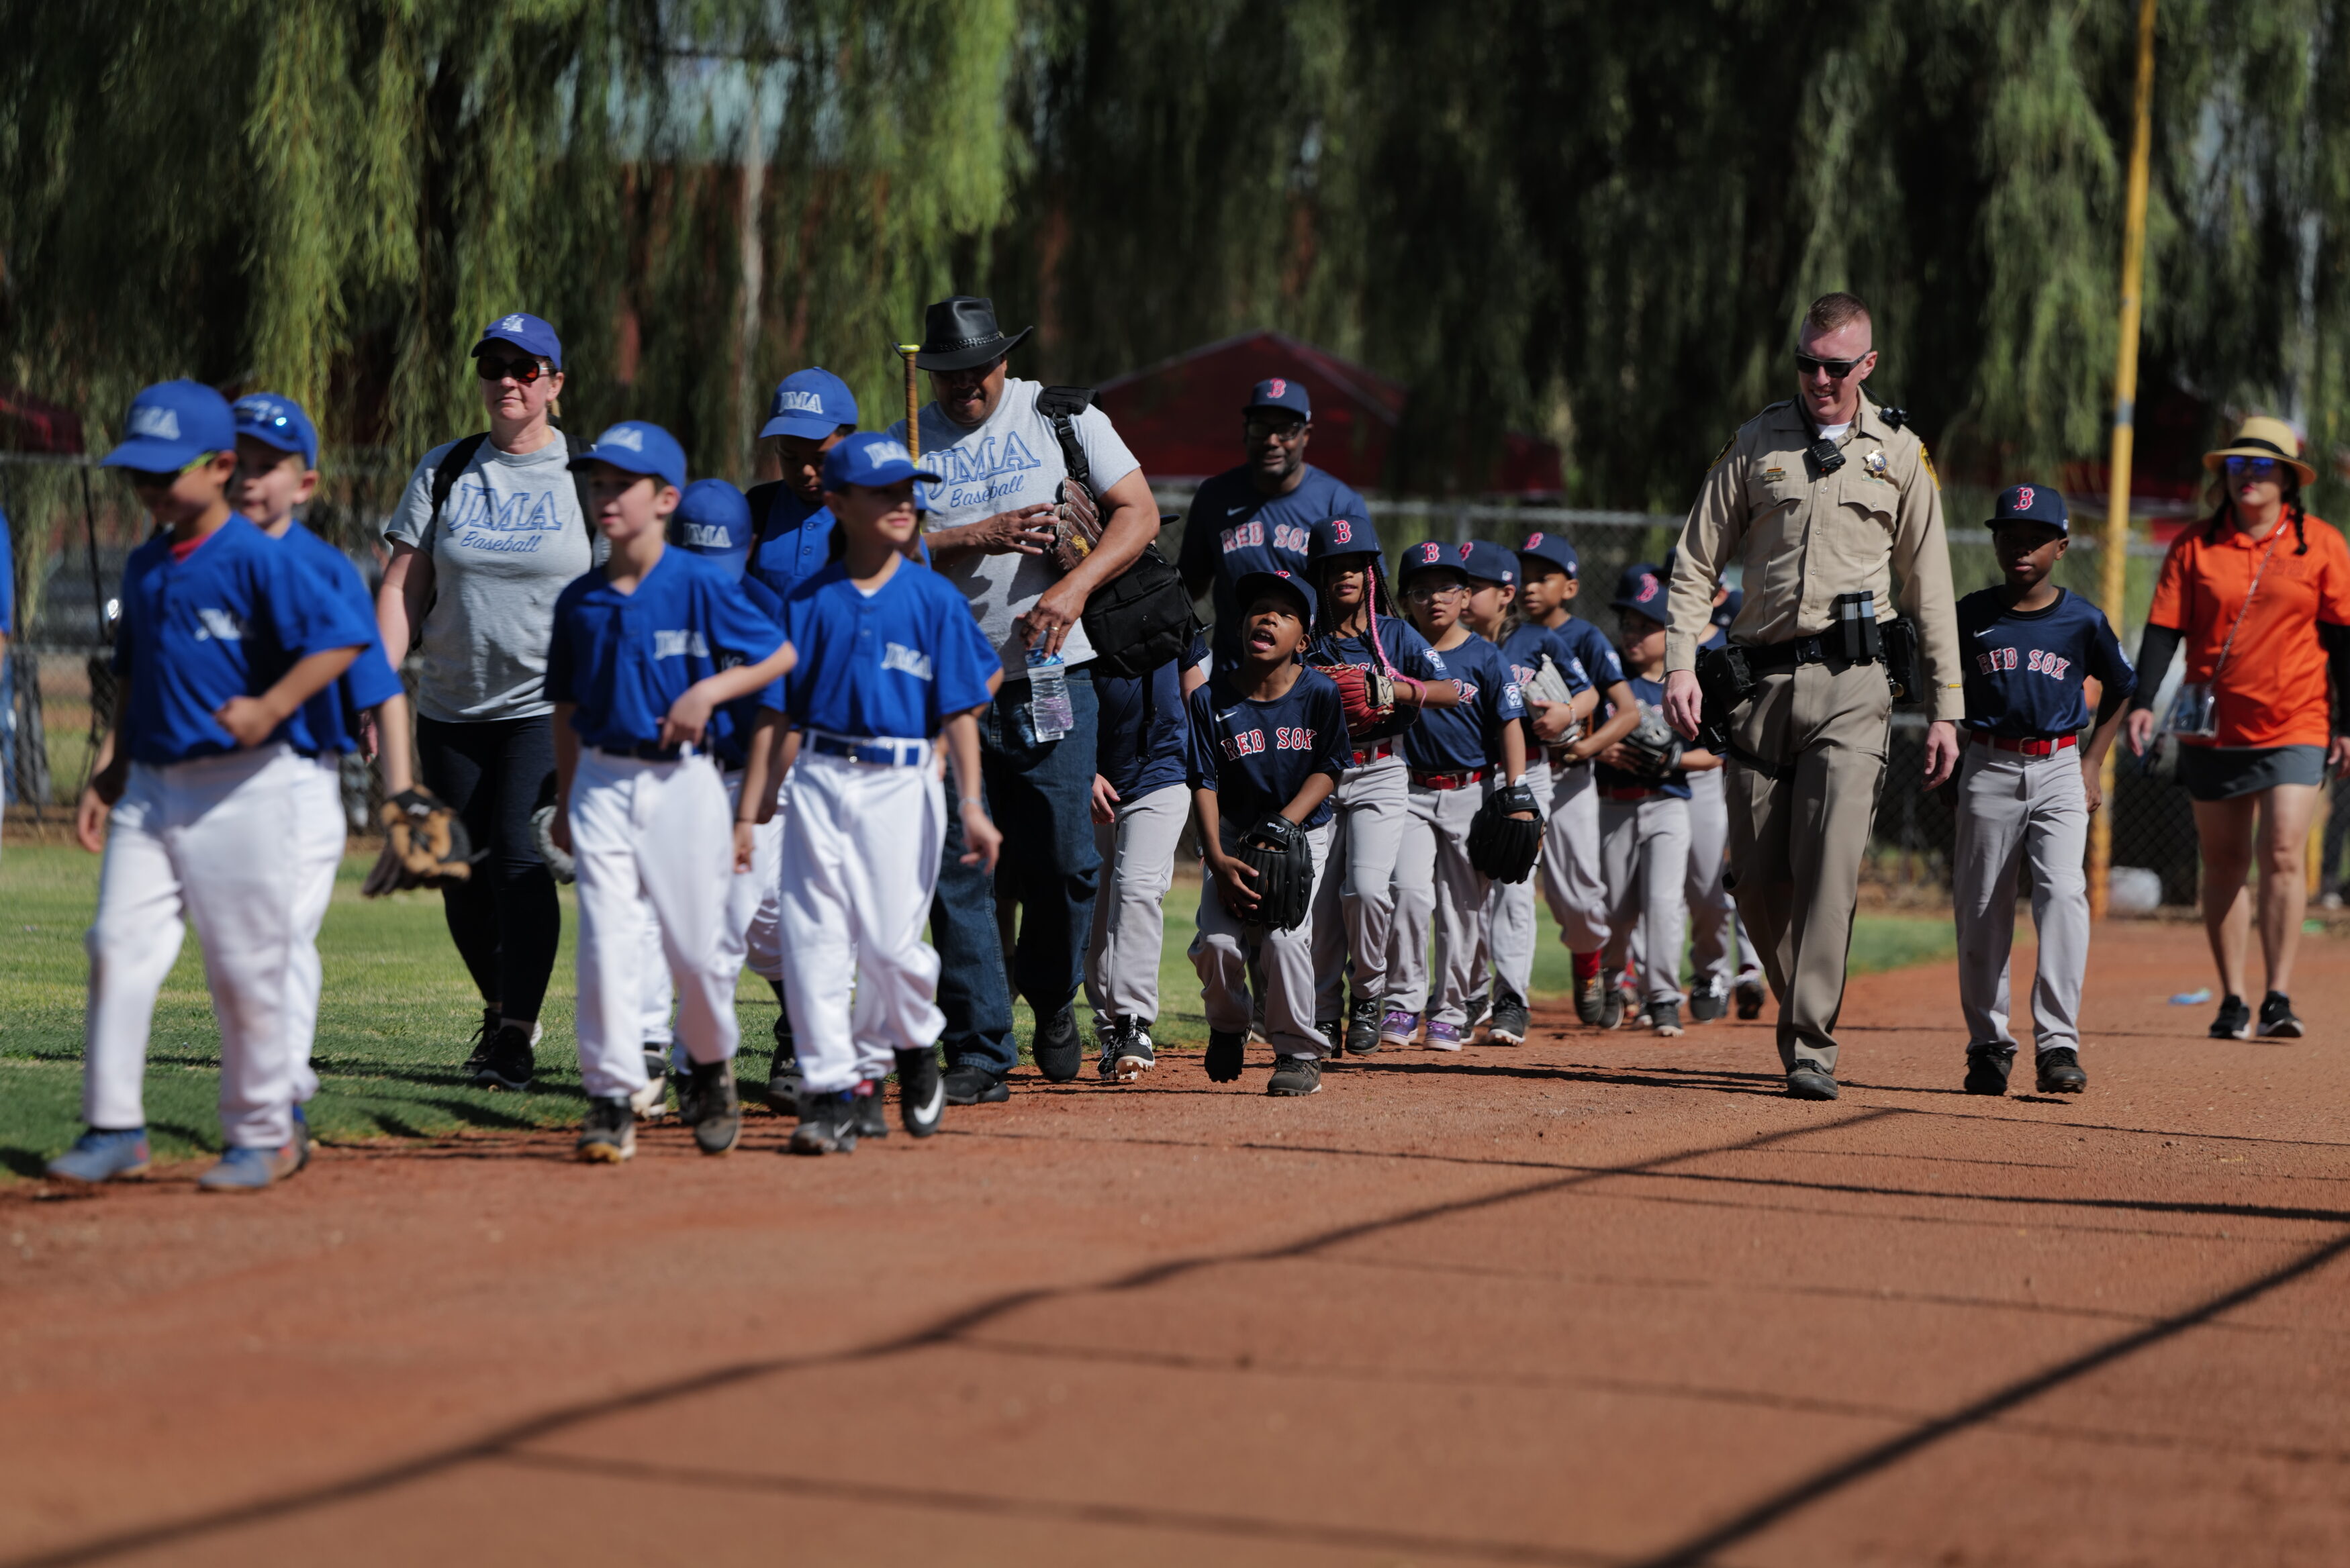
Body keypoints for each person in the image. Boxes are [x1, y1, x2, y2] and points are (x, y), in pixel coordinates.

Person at [49, 381, 373, 1191]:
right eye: (139, 474)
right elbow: (133, 677)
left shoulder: (258, 557)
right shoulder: (145, 564)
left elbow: (342, 639)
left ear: (220, 466)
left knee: (246, 965)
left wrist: (271, 705)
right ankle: (115, 1125)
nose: (151, 487)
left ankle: (264, 1132)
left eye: (168, 471)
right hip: (154, 788)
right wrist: (111, 771)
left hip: (244, 786)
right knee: (116, 943)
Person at [1663, 291, 1962, 1099]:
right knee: (1758, 881)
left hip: (1853, 686)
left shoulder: (1898, 452)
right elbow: (1694, 561)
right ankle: (1801, 1000)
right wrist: (1679, 664)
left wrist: (1946, 709)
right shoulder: (1754, 441)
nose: (1819, 380)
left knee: (1829, 864)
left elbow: (1929, 587)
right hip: (1755, 686)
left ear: (1867, 365)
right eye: (1806, 364)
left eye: (1835, 367)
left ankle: (1808, 1045)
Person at [890, 296, 1160, 1104]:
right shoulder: (906, 441)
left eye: (977, 367)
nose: (964, 383)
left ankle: (1049, 992)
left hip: (1053, 673)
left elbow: (1139, 513)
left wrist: (1073, 588)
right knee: (956, 866)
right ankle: (979, 1047)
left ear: (1003, 359)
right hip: (945, 688)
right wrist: (970, 536)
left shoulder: (1059, 417)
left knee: (1067, 860)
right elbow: (877, 545)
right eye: (948, 371)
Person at [545, 422, 795, 1164]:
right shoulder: (580, 598)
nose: (605, 497)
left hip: (684, 780)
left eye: (622, 484)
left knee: (698, 948)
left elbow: (778, 655)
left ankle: (710, 1064)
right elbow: (565, 707)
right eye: (598, 483)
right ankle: (609, 1095)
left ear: (664, 500)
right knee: (606, 942)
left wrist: (708, 692)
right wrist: (567, 799)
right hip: (602, 779)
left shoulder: (698, 584)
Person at [377, 312, 598, 1092]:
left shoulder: (585, 475)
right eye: (494, 366)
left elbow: (620, 591)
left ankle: (512, 1039)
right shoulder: (445, 469)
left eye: (525, 368)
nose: (508, 380)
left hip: (545, 705)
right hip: (450, 705)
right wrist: (375, 688)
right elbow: (403, 587)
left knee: (517, 857)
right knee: (457, 870)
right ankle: (503, 1008)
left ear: (554, 384)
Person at [774, 434, 1004, 1154]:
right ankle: (829, 1091)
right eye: (883, 492)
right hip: (819, 775)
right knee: (815, 939)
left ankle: (911, 1043)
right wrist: (756, 809)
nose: (903, 503)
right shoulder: (808, 599)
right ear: (839, 504)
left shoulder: (933, 597)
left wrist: (971, 803)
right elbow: (781, 715)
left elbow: (962, 706)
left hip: (904, 783)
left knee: (890, 944)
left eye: (908, 490)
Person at [2124, 416, 2350, 1040]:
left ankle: (2278, 996)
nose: (2248, 475)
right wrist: (2142, 702)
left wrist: (2347, 723)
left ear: (2288, 479)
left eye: (2262, 465)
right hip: (2212, 723)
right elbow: (2163, 629)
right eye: (2237, 464)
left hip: (2298, 719)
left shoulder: (2321, 544)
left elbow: (2343, 642)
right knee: (2224, 861)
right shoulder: (2195, 545)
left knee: (2281, 851)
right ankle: (2232, 998)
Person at [229, 392, 420, 1123]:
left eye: (268, 463)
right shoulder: (187, 556)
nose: (250, 476)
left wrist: (400, 800)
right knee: (234, 952)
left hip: (296, 779)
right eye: (239, 460)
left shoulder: (322, 570)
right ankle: (269, 1085)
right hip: (205, 785)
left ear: (304, 483)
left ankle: (280, 1097)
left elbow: (381, 691)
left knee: (279, 937)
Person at [1953, 485, 2133, 1095]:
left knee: (2062, 893)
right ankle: (1988, 1044)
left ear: (2062, 546)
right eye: (2010, 536)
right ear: (1995, 542)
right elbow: (1938, 680)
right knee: (1983, 905)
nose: (2021, 548)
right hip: (1987, 762)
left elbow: (2122, 684)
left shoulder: (2082, 619)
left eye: (2036, 538)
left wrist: (2093, 762)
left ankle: (2058, 1043)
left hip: (2059, 765)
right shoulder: (1971, 614)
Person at [631, 478, 790, 1118]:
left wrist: (761, 796)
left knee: (765, 927)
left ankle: (802, 1027)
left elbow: (781, 714)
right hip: (674, 778)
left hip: (750, 776)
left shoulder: (761, 605)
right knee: (666, 921)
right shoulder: (651, 599)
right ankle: (671, 1058)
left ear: (749, 548)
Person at [1187, 570, 1351, 1095]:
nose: (1268, 618)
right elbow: (1204, 780)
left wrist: (1284, 824)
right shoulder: (1210, 699)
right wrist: (1215, 857)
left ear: (1303, 640)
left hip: (1301, 834)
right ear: (1241, 627)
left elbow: (1330, 767)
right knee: (1217, 943)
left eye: (1285, 613)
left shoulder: (1319, 691)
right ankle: (1229, 1025)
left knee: (1284, 942)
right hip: (1233, 836)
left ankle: (1298, 1053)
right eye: (1259, 609)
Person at [1303, 515, 1461, 1056]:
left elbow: (1452, 689)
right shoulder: (1309, 641)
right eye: (1334, 567)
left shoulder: (1393, 635)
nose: (1345, 575)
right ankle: (1325, 1011)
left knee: (1368, 891)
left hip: (1380, 770)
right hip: (1320, 775)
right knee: (1319, 904)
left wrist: (1398, 689)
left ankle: (1368, 993)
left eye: (1356, 565)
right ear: (1320, 577)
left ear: (1371, 574)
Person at [1384, 540, 1530, 1050]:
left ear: (1466, 597)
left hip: (1472, 792)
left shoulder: (1485, 656)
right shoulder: (1395, 649)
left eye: (1447, 588)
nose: (1435, 599)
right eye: (1421, 590)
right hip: (1409, 790)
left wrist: (1516, 790)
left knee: (1462, 910)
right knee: (1406, 894)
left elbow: (1510, 724)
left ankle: (1449, 1010)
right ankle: (1402, 1003)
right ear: (1406, 600)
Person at [1461, 540, 1594, 1044]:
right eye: (1458, 585)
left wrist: (1569, 713)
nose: (1461, 595)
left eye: (1473, 586)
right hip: (1468, 773)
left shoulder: (1538, 639)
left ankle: (1511, 999)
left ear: (1505, 593)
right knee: (1465, 890)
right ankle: (1468, 992)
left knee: (1514, 884)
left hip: (1530, 773)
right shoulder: (1446, 643)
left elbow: (1588, 692)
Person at [1514, 532, 1643, 1024]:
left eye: (1543, 577)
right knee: (1511, 884)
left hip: (1569, 778)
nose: (1530, 586)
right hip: (1516, 775)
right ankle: (1492, 995)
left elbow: (1627, 710)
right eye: (1523, 577)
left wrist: (1588, 746)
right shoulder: (1505, 636)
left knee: (1578, 890)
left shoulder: (1585, 637)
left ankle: (1593, 965)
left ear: (1569, 588)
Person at [1595, 565, 1720, 1036]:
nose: (1632, 634)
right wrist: (1599, 748)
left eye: (1645, 626)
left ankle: (1664, 998)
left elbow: (1717, 754)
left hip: (1668, 805)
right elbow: (1580, 733)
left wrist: (1675, 759)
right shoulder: (1609, 680)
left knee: (1665, 903)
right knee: (1615, 910)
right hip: (1613, 805)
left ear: (1670, 631)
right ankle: (1614, 985)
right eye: (1628, 624)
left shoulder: (1685, 684)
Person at [1178, 378, 1371, 668]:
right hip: (1233, 674)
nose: (1271, 441)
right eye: (1261, 428)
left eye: (1285, 430)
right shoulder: (1215, 496)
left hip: (1315, 673)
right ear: (1245, 431)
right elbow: (1189, 587)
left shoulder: (1339, 502)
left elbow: (1368, 598)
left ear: (1306, 435)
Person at [1085, 634, 1203, 1083]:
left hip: (1163, 771)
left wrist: (1211, 772)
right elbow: (1051, 690)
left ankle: (1132, 1022)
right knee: (1095, 908)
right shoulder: (1068, 611)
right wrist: (1078, 768)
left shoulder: (1166, 602)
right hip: (1090, 776)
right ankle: (1109, 1031)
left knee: (1136, 887)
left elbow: (1196, 691)